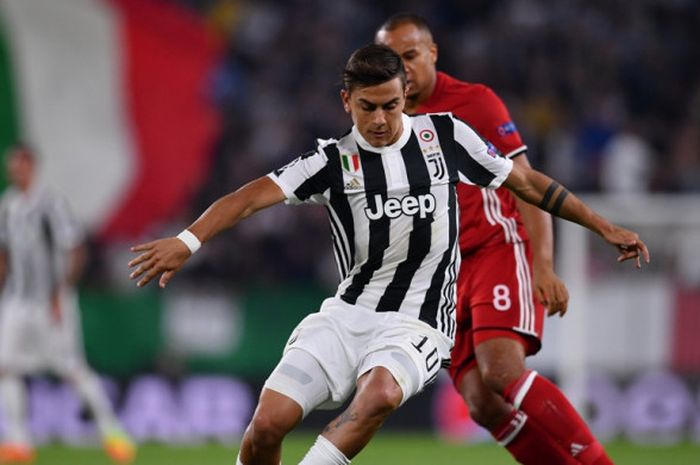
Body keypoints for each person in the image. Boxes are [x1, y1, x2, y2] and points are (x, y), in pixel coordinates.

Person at [128, 44, 648, 465]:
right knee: (267, 427)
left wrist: (603, 227)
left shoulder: (445, 136)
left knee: (379, 394)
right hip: (344, 316)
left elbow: (528, 184)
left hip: (418, 325)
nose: (380, 119)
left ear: (406, 97)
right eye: (367, 107)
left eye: (391, 105)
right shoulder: (331, 161)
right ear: (346, 102)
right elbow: (247, 198)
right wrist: (187, 241)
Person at [375, 13, 617, 465]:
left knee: (502, 371)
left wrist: (543, 264)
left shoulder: (474, 103)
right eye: (392, 59)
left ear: (432, 54)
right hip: (445, 275)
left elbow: (526, 185)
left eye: (409, 56)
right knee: (481, 404)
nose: (402, 68)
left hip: (496, 249)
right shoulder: (383, 122)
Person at [0, 145, 135, 464]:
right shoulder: (7, 205)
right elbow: (4, 256)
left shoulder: (51, 204)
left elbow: (75, 250)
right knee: (5, 367)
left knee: (72, 369)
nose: (13, 170)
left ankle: (113, 433)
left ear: (31, 166)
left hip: (51, 300)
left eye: (18, 164)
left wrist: (61, 293)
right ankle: (19, 442)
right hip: (17, 301)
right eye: (10, 166)